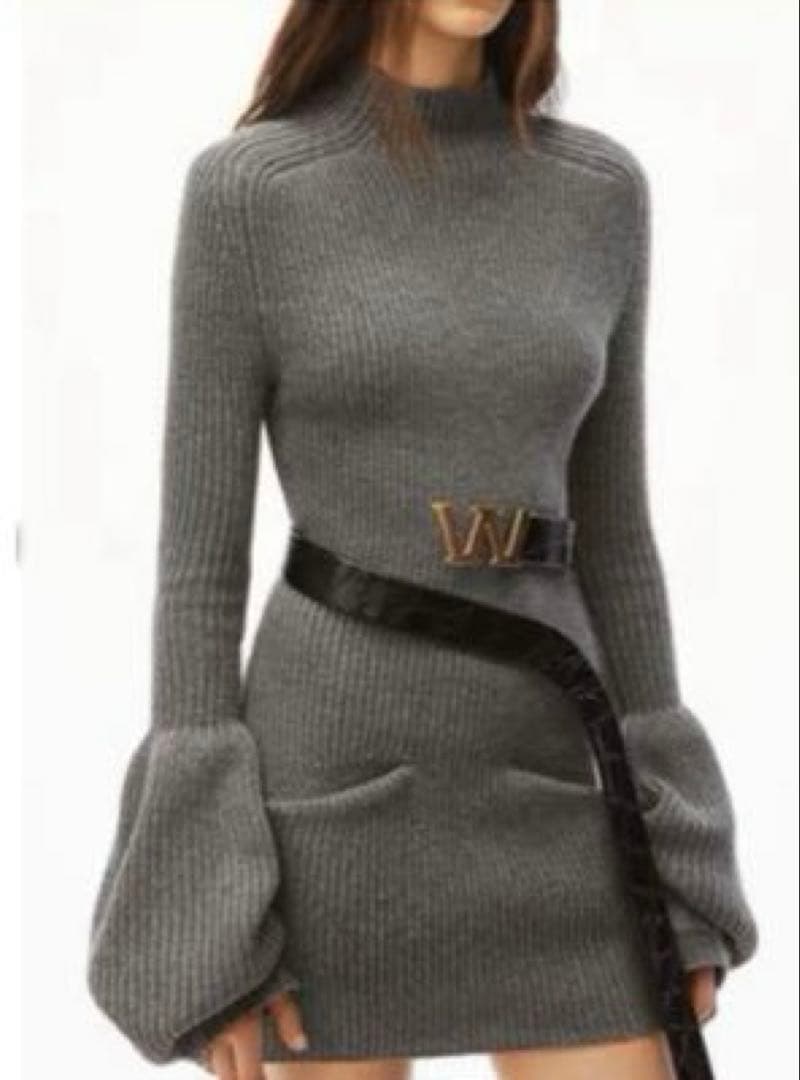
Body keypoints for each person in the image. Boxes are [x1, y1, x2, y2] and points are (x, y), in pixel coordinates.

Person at [86, 2, 759, 1078]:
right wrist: (209, 910)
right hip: (334, 798)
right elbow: (199, 570)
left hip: (554, 781)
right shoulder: (253, 192)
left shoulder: (598, 192)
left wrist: (676, 862)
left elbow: (618, 542)